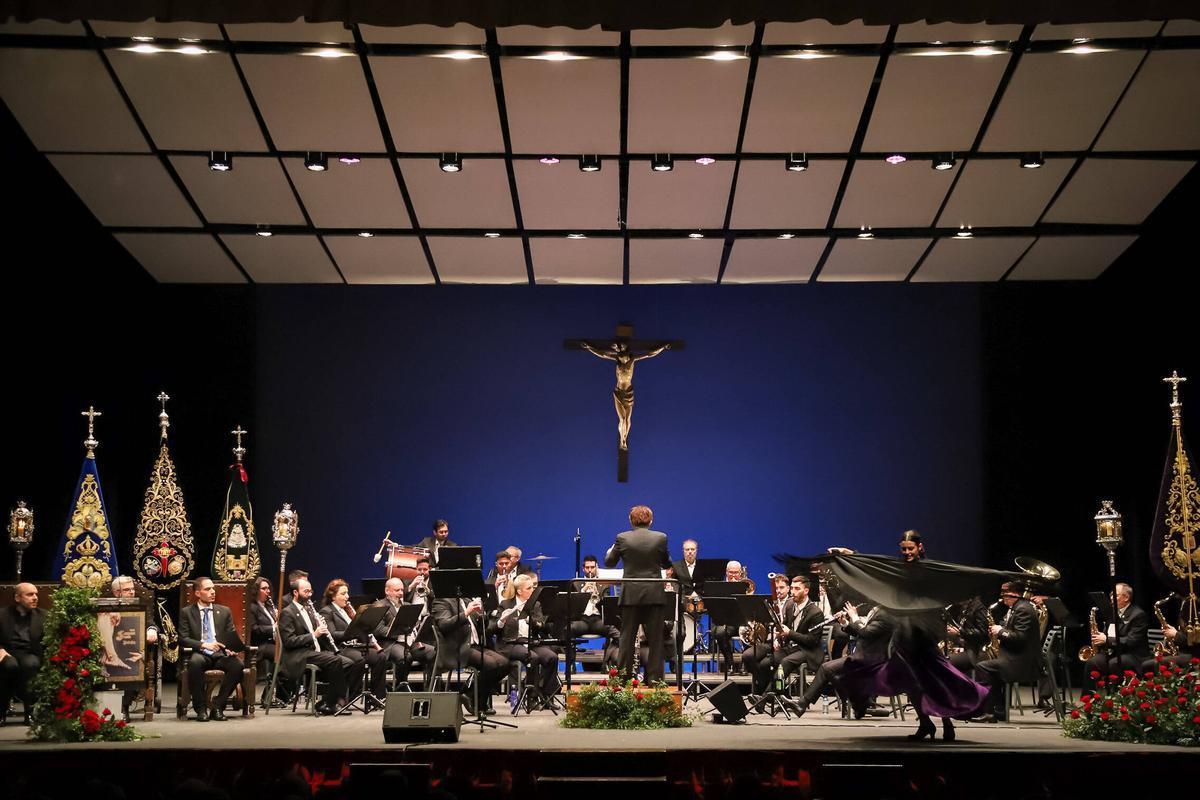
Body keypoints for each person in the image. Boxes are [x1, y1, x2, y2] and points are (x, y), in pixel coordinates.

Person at [604, 504, 672, 682]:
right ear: (651, 520)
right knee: (656, 640)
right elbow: (666, 564)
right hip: (653, 595)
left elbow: (609, 562)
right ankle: (655, 681)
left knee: (626, 638)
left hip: (631, 595)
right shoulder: (661, 537)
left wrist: (614, 546)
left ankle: (624, 680)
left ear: (630, 520)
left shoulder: (622, 538)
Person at [278, 577, 365, 715]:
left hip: (314, 652)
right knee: (335, 661)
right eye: (306, 591)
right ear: (295, 592)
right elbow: (289, 641)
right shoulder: (287, 613)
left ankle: (328, 701)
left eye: (310, 591)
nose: (309, 594)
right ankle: (331, 703)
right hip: (298, 654)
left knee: (348, 663)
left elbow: (320, 634)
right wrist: (314, 634)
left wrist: (322, 628)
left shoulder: (310, 610)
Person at [430, 590, 510, 716]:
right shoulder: (441, 601)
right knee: (491, 665)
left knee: (505, 664)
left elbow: (483, 627)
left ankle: (468, 694)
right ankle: (479, 703)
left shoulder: (467, 600)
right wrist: (466, 613)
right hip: (456, 648)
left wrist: (481, 614)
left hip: (474, 646)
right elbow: (444, 625)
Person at [177, 577, 246, 722]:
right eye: (208, 589)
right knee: (194, 663)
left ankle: (217, 706)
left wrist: (230, 648)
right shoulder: (187, 612)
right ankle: (201, 709)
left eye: (213, 588)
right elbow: (183, 638)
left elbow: (230, 635)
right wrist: (203, 644)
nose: (212, 592)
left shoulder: (224, 611)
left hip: (219, 654)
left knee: (237, 665)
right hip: (200, 653)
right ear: (197, 593)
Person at [973, 581, 1040, 723]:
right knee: (987, 665)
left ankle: (988, 711)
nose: (1002, 597)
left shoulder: (1023, 609)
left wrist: (1000, 631)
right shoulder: (1016, 607)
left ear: (1015, 594)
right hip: (1014, 657)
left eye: (1005, 594)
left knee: (983, 667)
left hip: (1022, 661)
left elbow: (1020, 638)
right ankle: (999, 709)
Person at [492, 573, 559, 705]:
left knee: (552, 657)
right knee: (532, 657)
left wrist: (532, 621)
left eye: (533, 587)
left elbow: (541, 625)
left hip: (530, 642)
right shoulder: (505, 604)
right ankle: (531, 696)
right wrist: (502, 620)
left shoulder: (535, 604)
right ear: (519, 591)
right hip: (511, 643)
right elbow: (494, 628)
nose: (532, 591)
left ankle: (546, 695)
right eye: (529, 588)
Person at [1082, 582, 1150, 689]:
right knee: (1093, 662)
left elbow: (1131, 641)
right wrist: (1100, 637)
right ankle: (1091, 700)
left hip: (1134, 655)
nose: (1112, 598)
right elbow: (1108, 634)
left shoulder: (1138, 615)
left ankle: (1115, 700)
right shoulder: (1112, 613)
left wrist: (1107, 640)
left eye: (1115, 595)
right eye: (1111, 596)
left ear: (1126, 597)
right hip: (1115, 652)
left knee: (1114, 663)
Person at [109, 576, 158, 721]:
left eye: (132, 589)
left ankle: (124, 707)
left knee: (133, 663)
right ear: (117, 593)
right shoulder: (106, 607)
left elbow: (151, 623)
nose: (132, 592)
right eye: (127, 590)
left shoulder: (140, 605)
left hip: (131, 651)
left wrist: (152, 630)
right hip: (110, 648)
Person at [0, 583, 46, 726]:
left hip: (29, 652)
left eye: (36, 594)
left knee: (30, 664)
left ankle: (30, 714)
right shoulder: (1, 615)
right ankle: (1, 712)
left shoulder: (43, 616)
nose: (35, 598)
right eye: (30, 594)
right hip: (7, 652)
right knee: (9, 665)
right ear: (17, 597)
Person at [319, 579, 370, 699]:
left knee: (379, 657)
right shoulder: (327, 611)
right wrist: (352, 633)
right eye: (343, 594)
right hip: (339, 647)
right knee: (359, 660)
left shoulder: (346, 610)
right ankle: (349, 696)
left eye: (347, 593)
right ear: (333, 597)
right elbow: (332, 634)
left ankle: (378, 695)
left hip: (353, 646)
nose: (347, 597)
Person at [248, 576, 285, 704]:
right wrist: (272, 628)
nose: (268, 591)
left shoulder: (268, 606)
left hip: (270, 642)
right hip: (259, 645)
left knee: (286, 654)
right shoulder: (252, 607)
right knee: (281, 655)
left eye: (268, 588)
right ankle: (270, 695)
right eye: (264, 588)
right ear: (256, 590)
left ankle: (270, 695)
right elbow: (253, 629)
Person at [709, 560, 749, 675]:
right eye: (731, 572)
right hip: (726, 622)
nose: (733, 575)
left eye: (736, 572)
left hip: (742, 622)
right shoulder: (720, 587)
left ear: (740, 573)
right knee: (720, 633)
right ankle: (729, 663)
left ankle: (745, 665)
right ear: (726, 572)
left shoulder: (746, 585)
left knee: (750, 632)